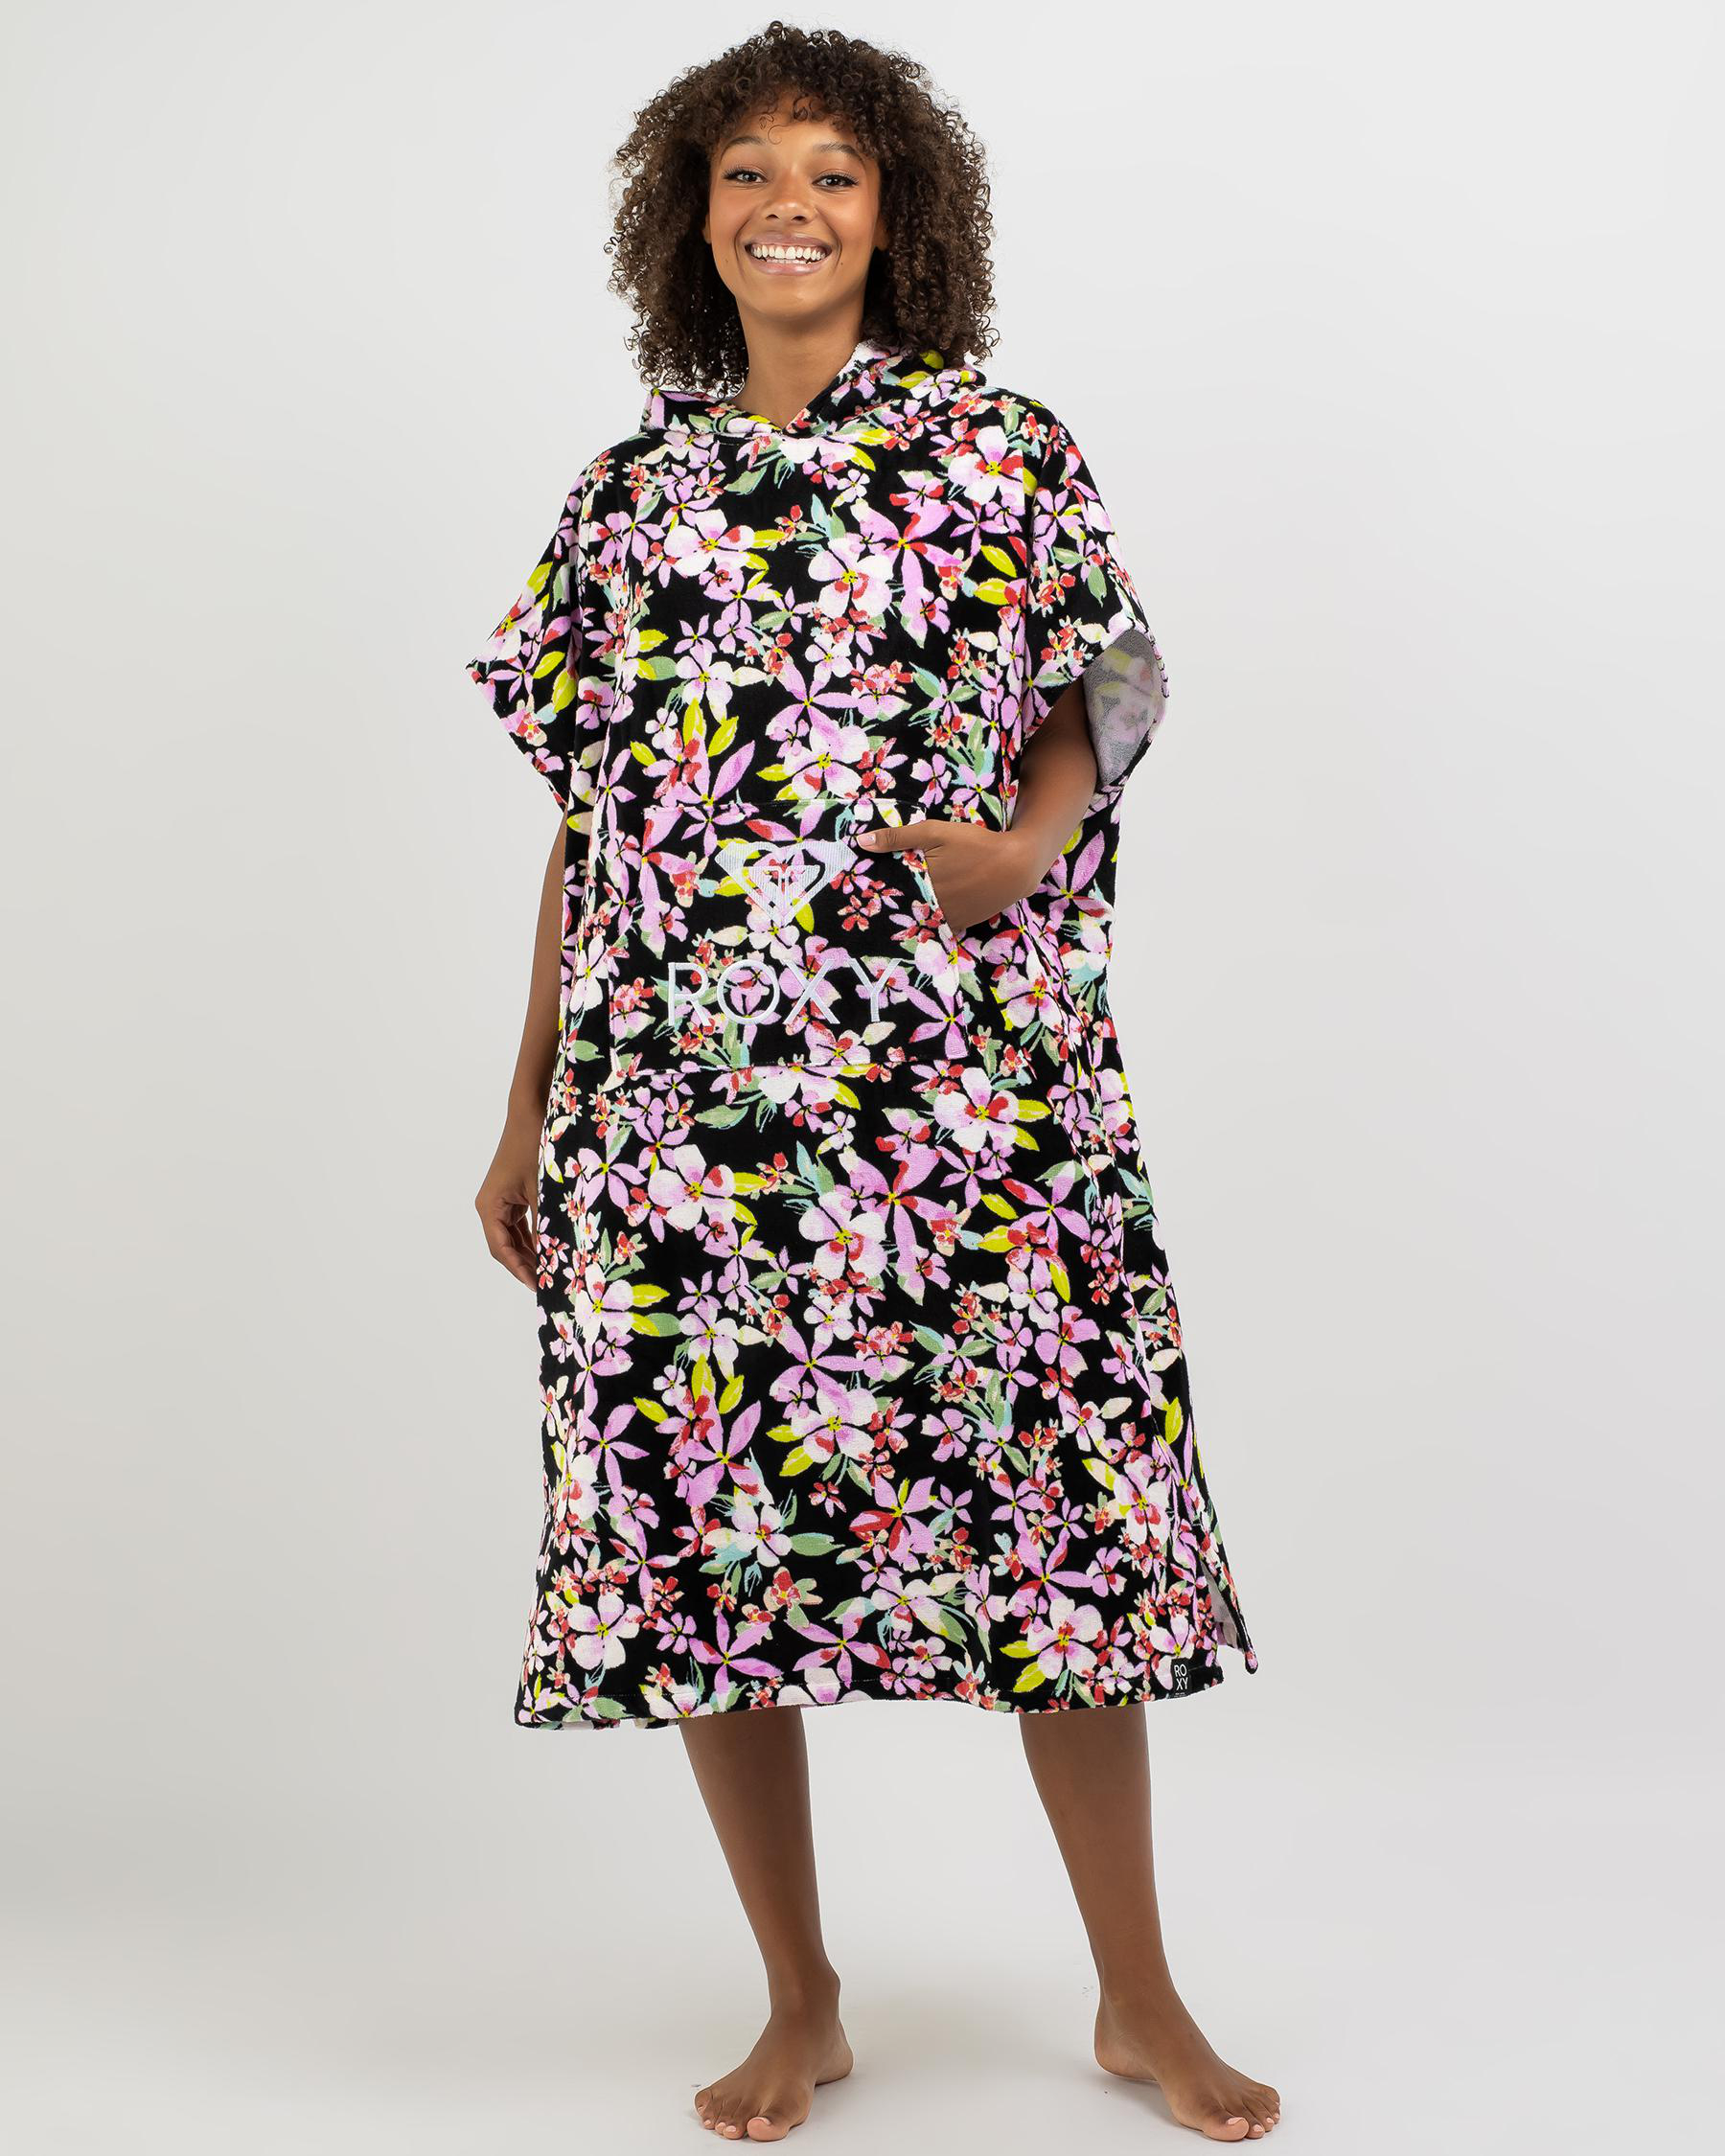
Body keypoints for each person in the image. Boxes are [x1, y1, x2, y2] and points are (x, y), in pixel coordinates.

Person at [469, 21, 1277, 2145]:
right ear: (691, 221)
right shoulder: (627, 496)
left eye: (829, 169)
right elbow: (588, 821)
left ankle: (1139, 1998)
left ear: (895, 212)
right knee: (704, 1531)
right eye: (745, 173)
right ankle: (801, 1995)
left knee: (1057, 1517)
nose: (787, 205)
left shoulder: (1000, 446)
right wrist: (528, 1099)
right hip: (678, 1110)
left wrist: (1024, 841)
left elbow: (1115, 671)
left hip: (962, 1093)